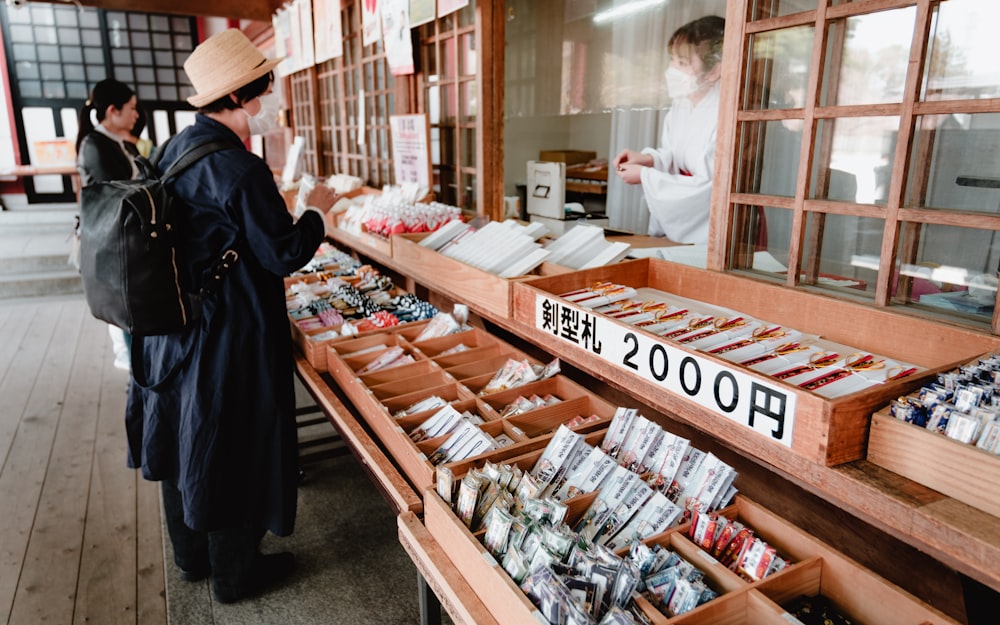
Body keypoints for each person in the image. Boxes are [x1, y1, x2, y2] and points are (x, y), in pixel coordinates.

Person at [124, 29, 337, 604]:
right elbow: (284, 252)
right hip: (226, 335)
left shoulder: (175, 149)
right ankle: (237, 574)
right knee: (232, 443)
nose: (271, 101)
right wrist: (317, 213)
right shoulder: (240, 169)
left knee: (183, 440)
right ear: (249, 93)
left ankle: (193, 559)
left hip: (173, 328)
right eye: (267, 88)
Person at [612, 15, 726, 244]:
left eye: (682, 63)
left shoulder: (725, 114)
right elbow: (676, 156)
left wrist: (645, 176)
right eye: (672, 60)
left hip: (712, 226)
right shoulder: (680, 107)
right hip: (684, 224)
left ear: (714, 71)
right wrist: (648, 160)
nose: (671, 69)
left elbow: (710, 188)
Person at [75, 78, 141, 370]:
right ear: (113, 111)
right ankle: (137, 384)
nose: (136, 115)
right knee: (125, 315)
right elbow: (119, 196)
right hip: (112, 243)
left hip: (121, 239)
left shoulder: (113, 143)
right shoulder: (96, 146)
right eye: (132, 108)